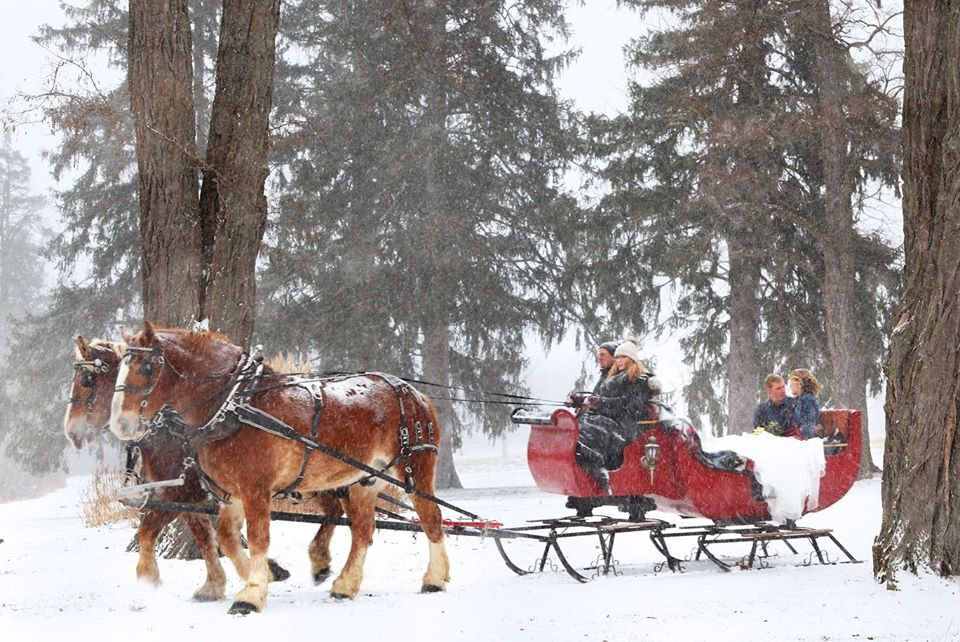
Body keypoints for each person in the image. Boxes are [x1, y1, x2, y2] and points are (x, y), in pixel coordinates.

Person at [572, 338, 660, 495]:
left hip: (627, 426)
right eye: (617, 357)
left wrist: (598, 403)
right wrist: (583, 400)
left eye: (623, 357)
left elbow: (627, 406)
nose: (619, 361)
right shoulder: (612, 379)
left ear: (631, 358)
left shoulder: (641, 380)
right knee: (581, 422)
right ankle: (584, 455)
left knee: (589, 426)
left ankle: (595, 460)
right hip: (612, 421)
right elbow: (603, 401)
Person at [786, 368, 822, 439]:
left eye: (792, 383)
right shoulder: (798, 400)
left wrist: (798, 435)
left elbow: (809, 425)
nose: (790, 386)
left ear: (800, 383)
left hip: (804, 442)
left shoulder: (808, 400)